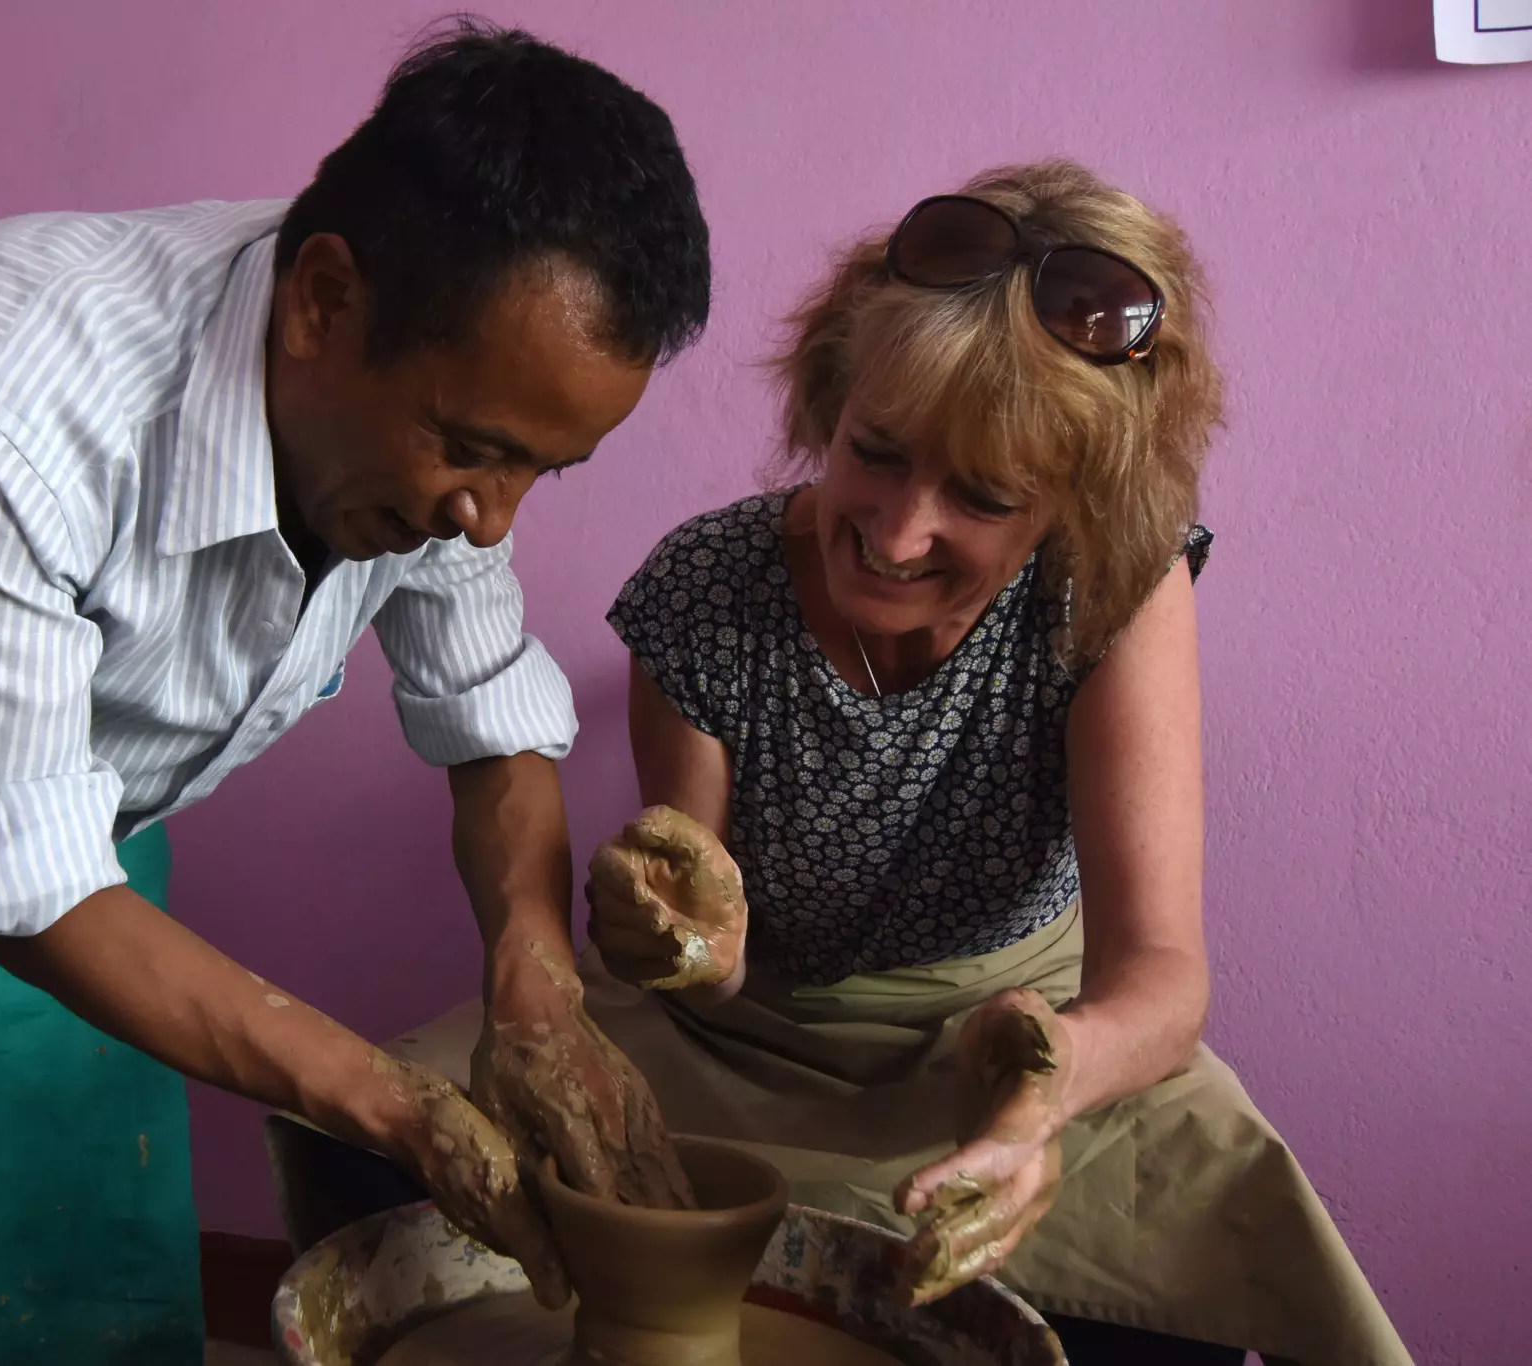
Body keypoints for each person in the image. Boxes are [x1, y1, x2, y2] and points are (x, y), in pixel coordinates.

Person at [0, 24, 707, 1365]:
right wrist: (398, 1108)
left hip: (91, 877)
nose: (489, 521)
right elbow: (19, 877)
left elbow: (488, 715)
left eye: (534, 472)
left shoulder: (432, 398)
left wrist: (534, 981)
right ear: (323, 302)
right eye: (469, 453)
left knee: (63, 1315)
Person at [386, 162, 1412, 1366]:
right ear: (831, 401)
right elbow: (704, 972)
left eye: (980, 494)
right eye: (875, 452)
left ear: (1074, 504)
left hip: (1013, 1041)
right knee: (406, 1133)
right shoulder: (708, 587)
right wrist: (684, 942)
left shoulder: (1110, 588)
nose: (896, 528)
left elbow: (1163, 983)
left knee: (1181, 1276)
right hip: (739, 1046)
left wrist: (1050, 1086)